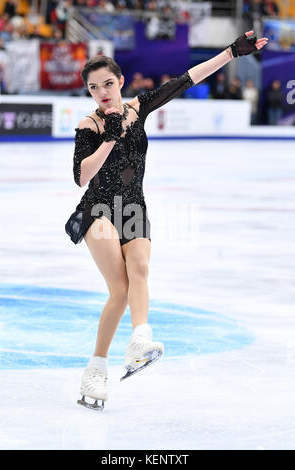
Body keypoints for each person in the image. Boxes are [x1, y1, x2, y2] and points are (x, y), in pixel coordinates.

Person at [65, 30, 268, 410]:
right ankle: (96, 367)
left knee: (139, 268)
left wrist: (229, 52)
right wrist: (108, 139)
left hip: (133, 206)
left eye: (108, 83)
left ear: (121, 81)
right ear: (90, 92)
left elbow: (187, 78)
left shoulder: (138, 108)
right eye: (94, 87)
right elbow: (80, 176)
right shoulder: (89, 126)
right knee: (120, 290)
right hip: (98, 210)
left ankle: (140, 338)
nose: (102, 91)